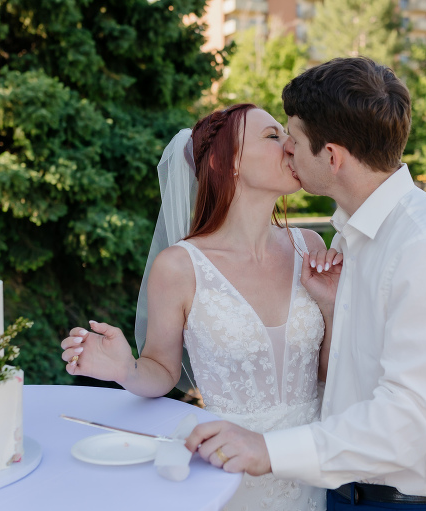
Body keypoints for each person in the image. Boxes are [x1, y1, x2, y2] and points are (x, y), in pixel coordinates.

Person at [185, 57, 426, 511]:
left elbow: (410, 420)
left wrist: (269, 450)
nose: (287, 151)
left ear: (331, 156)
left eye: (292, 140)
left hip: (408, 504)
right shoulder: (351, 237)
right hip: (338, 494)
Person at [61, 104, 343, 511]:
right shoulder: (179, 267)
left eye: (287, 135)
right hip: (230, 477)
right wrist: (124, 368)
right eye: (272, 136)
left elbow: (326, 375)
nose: (290, 146)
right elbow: (161, 371)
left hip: (312, 467)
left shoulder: (311, 249)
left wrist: (331, 308)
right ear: (224, 161)